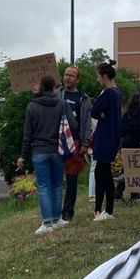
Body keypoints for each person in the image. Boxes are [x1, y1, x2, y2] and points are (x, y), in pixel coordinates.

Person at [17, 76, 74, 235]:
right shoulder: (61, 104)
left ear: (41, 88)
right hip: (58, 149)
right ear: (54, 87)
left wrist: (22, 155)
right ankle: (57, 218)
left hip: (39, 150)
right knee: (56, 185)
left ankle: (47, 221)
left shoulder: (32, 107)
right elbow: (73, 124)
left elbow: (27, 134)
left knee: (43, 186)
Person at [57, 67, 93, 222]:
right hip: (56, 141)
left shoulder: (83, 98)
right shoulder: (57, 94)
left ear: (77, 79)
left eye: (71, 76)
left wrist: (85, 143)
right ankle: (55, 211)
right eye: (66, 75)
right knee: (57, 178)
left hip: (75, 142)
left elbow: (86, 123)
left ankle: (68, 212)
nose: (68, 78)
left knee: (72, 179)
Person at [90, 60, 122, 221]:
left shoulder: (108, 93)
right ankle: (105, 209)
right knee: (104, 173)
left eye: (98, 76)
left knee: (102, 174)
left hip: (104, 136)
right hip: (113, 136)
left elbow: (94, 110)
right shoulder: (117, 92)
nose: (97, 80)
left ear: (104, 76)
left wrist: (101, 113)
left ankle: (104, 209)